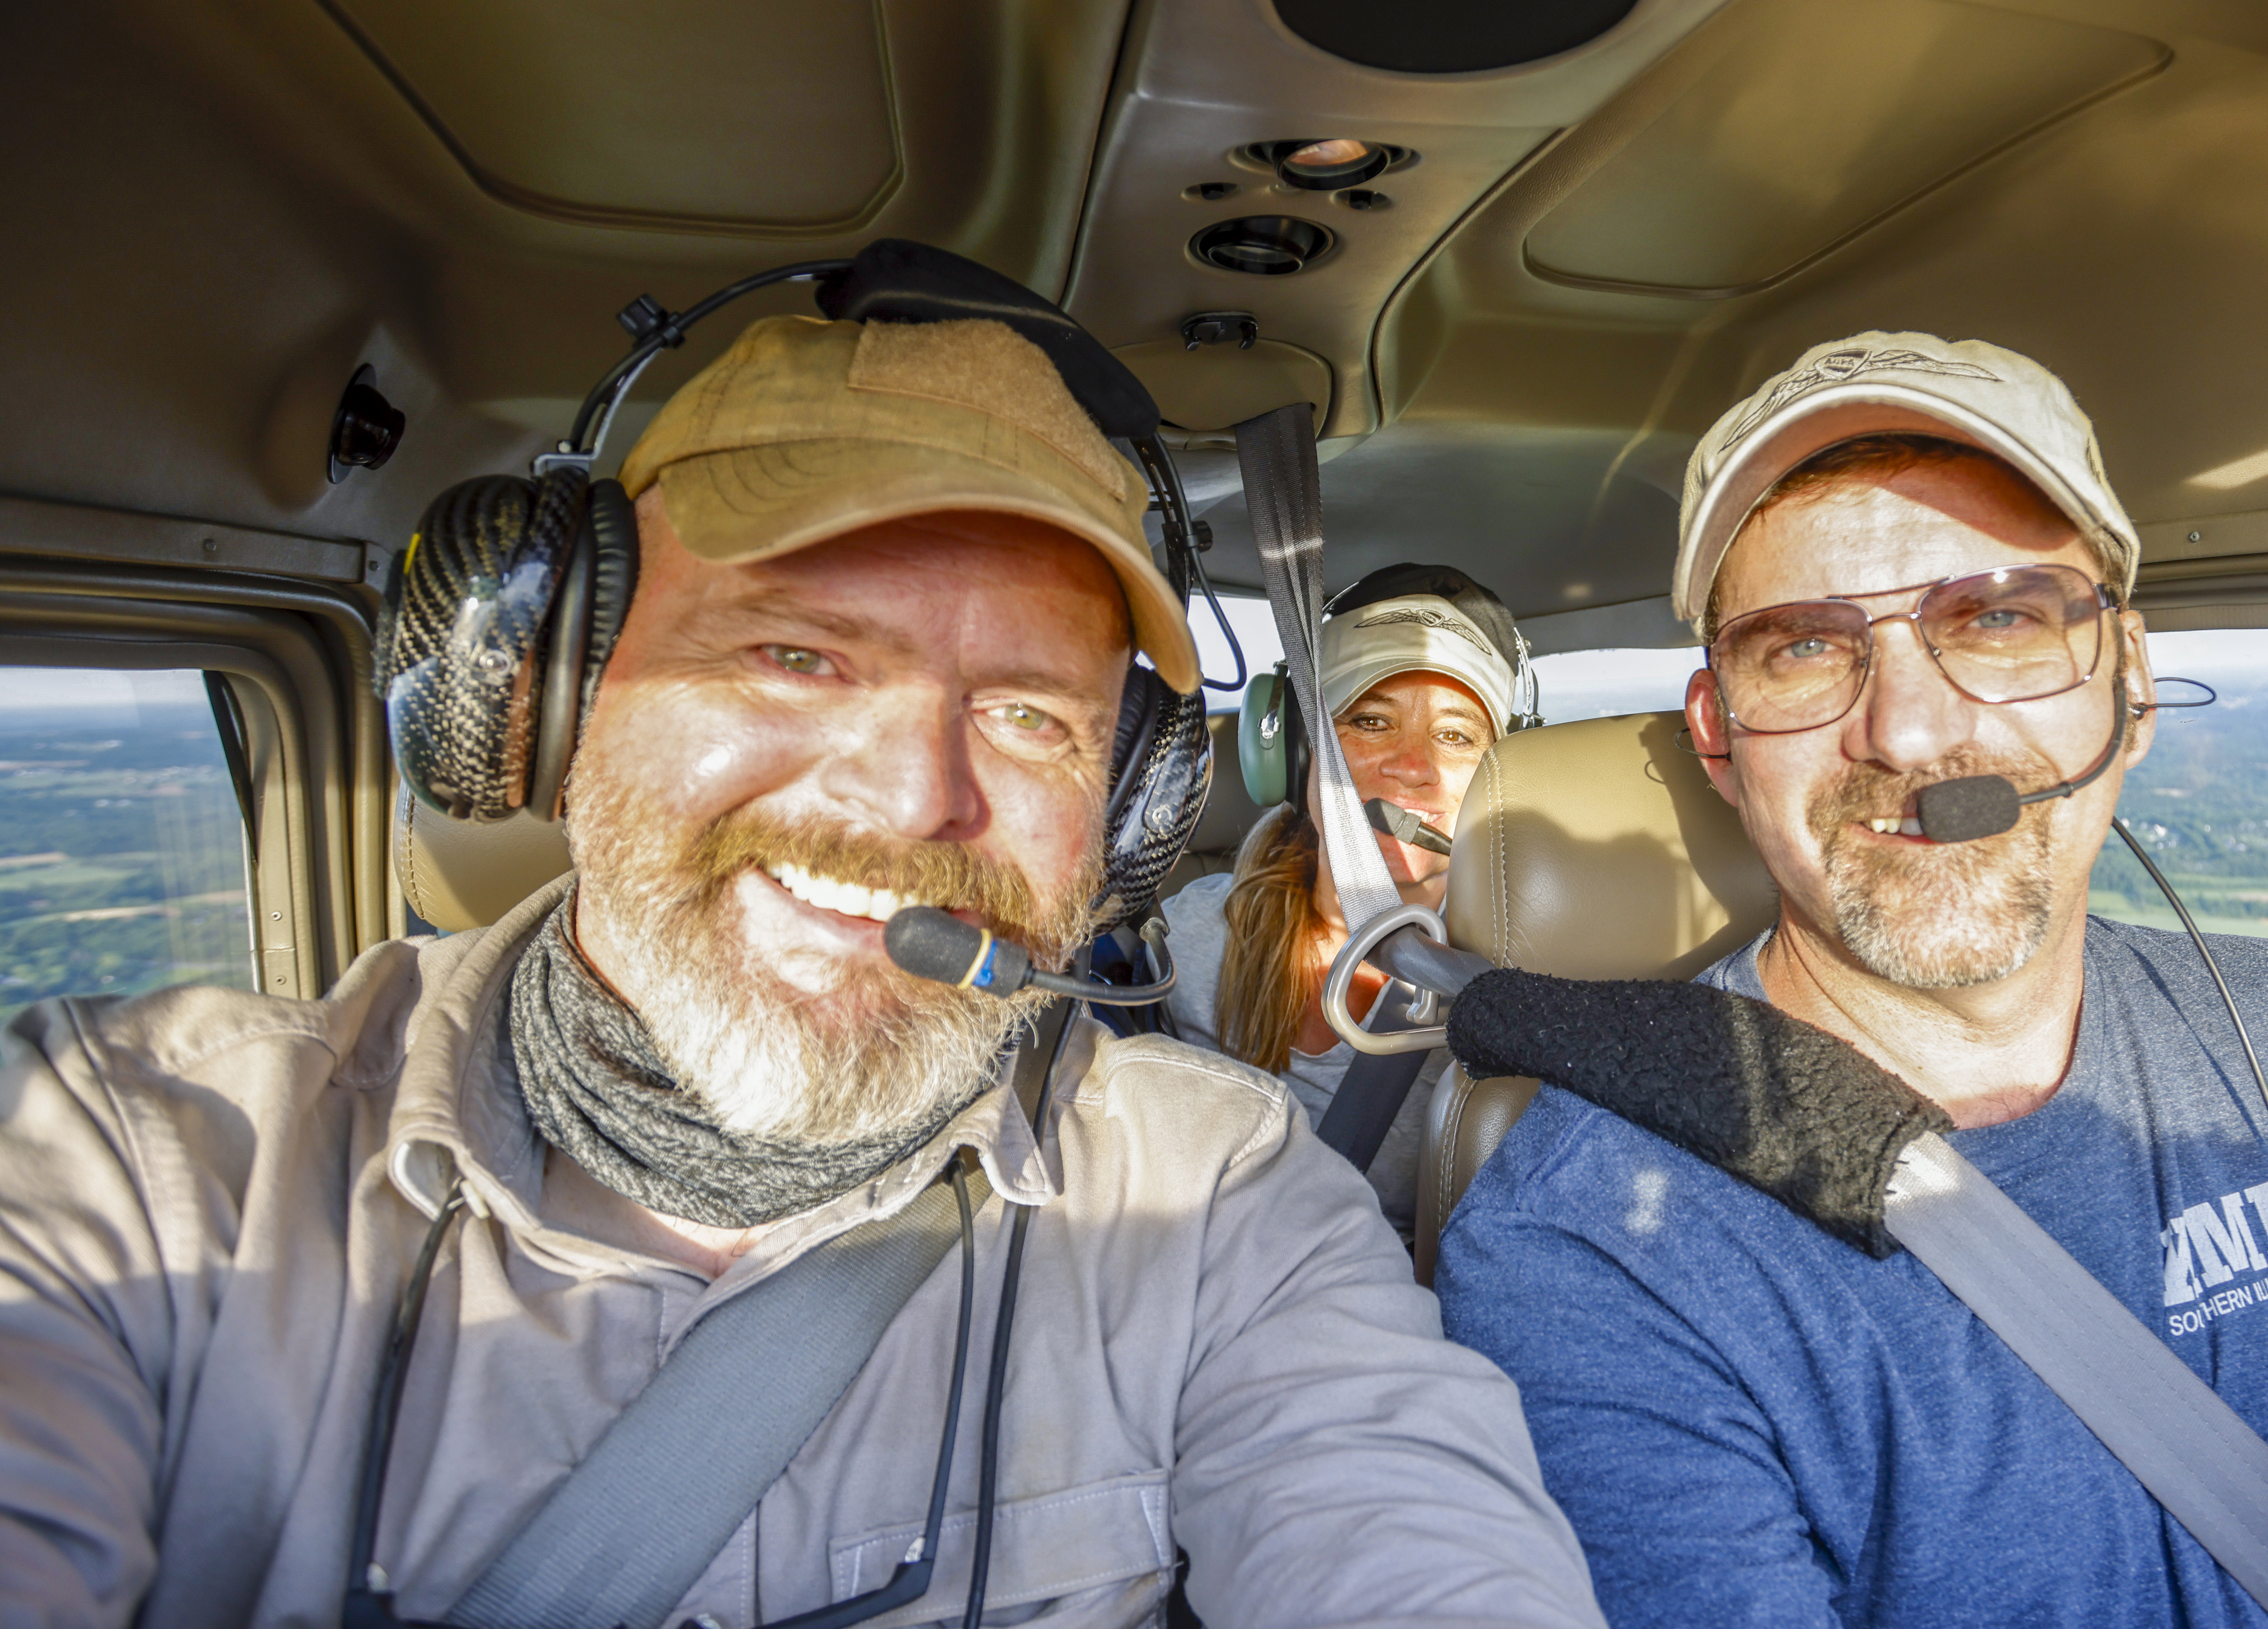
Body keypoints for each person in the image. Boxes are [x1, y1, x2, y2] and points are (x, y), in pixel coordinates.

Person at [0, 303, 1602, 1626]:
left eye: (1028, 713)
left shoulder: (1219, 1204)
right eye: (793, 655)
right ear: (548, 698)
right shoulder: (139, 1162)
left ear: (1122, 812)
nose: (911, 797)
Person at [1432, 333, 2268, 1628]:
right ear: (1719, 740)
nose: (1910, 730)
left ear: (2130, 685)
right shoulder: (1599, 1240)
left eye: (1997, 618)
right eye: (1804, 648)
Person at [1159, 565, 1528, 1230]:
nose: (1413, 767)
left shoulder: (1520, 995)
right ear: (1298, 751)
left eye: (1455, 735)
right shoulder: (1187, 939)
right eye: (1371, 721)